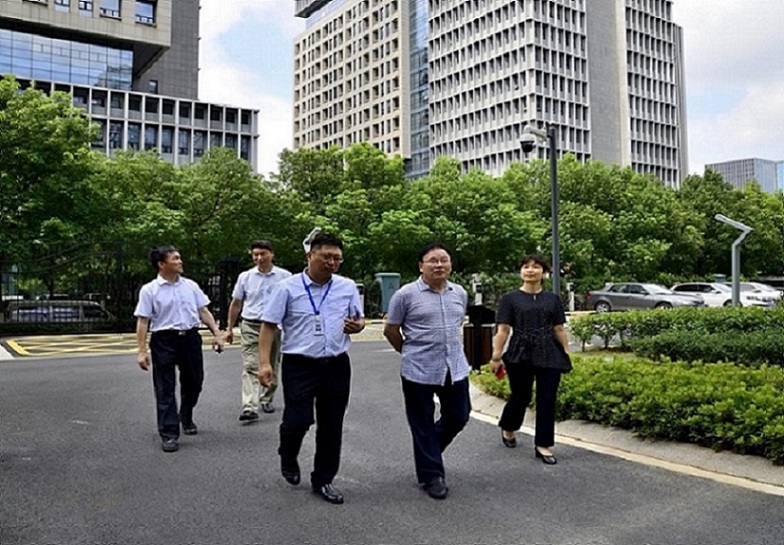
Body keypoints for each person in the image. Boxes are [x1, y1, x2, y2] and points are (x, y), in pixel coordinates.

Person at [258, 233, 365, 505]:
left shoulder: (347, 286)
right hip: (299, 364)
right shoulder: (287, 288)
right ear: (310, 256)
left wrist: (358, 326)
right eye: (326, 256)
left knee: (332, 424)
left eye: (337, 258)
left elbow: (358, 318)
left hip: (336, 364)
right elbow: (269, 325)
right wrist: (265, 363)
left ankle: (324, 479)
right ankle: (288, 452)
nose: (332, 262)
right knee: (298, 420)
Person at [383, 243, 471, 500]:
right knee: (421, 423)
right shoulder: (405, 295)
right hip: (418, 369)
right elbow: (391, 330)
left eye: (444, 260)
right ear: (421, 265)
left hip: (454, 367)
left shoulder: (459, 293)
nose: (439, 265)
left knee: (459, 416)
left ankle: (428, 453)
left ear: (450, 264)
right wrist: (407, 352)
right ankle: (432, 475)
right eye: (433, 260)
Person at [134, 245, 224, 453]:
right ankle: (169, 433)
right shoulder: (150, 290)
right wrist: (141, 350)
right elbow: (143, 321)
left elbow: (204, 311)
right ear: (162, 264)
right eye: (175, 258)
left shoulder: (190, 286)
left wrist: (216, 334)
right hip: (164, 340)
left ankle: (185, 413)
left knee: (195, 381)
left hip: (190, 338)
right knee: (165, 387)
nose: (180, 261)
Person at [489, 254, 571, 465]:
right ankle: (509, 426)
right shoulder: (510, 299)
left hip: (549, 351)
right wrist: (496, 356)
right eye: (526, 267)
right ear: (521, 272)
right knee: (521, 396)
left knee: (547, 399)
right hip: (520, 352)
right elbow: (503, 329)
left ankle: (543, 445)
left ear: (544, 273)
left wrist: (566, 352)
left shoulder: (553, 299)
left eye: (536, 267)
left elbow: (559, 328)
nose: (530, 270)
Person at [225, 240, 292, 422]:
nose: (259, 258)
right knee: (251, 365)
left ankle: (267, 397)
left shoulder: (284, 277)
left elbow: (290, 304)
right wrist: (229, 328)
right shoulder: (245, 277)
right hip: (251, 325)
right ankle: (249, 406)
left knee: (271, 363)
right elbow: (236, 303)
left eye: (263, 254)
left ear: (272, 254)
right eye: (255, 254)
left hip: (274, 327)